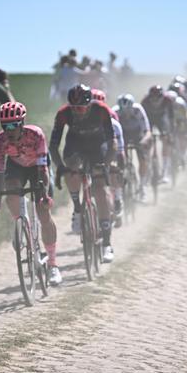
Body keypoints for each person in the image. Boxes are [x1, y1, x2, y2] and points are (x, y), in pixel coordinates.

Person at [0, 102, 63, 285]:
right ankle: (21, 225)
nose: (9, 130)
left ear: (22, 123)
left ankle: (53, 265)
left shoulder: (35, 134)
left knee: (43, 212)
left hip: (38, 168)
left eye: (14, 125)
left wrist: (44, 195)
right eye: (5, 126)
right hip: (16, 167)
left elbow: (43, 170)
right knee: (11, 190)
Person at [49, 84, 117, 262]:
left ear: (90, 104)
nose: (78, 112)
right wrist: (61, 167)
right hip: (76, 144)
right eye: (75, 108)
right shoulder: (63, 113)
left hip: (97, 146)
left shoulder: (101, 110)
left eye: (81, 108)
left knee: (100, 190)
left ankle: (107, 243)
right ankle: (78, 209)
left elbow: (112, 143)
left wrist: (106, 165)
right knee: (72, 170)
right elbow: (53, 146)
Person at [91, 89, 125, 227]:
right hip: (95, 151)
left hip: (111, 149)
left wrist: (120, 167)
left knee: (113, 172)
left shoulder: (113, 119)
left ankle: (117, 198)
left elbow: (119, 147)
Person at [113, 93, 152, 200]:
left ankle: (142, 187)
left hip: (137, 134)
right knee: (119, 159)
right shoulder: (115, 112)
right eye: (123, 112)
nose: (126, 114)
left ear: (132, 107)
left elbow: (147, 131)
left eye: (128, 111)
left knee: (142, 159)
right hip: (123, 135)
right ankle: (121, 184)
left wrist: (144, 141)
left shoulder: (138, 110)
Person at [141, 85, 175, 182]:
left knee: (165, 139)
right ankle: (147, 168)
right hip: (149, 119)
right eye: (153, 98)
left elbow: (171, 117)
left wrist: (170, 132)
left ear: (162, 96)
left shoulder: (167, 100)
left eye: (157, 98)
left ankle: (165, 172)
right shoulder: (145, 100)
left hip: (161, 119)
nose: (155, 101)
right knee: (147, 142)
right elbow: (142, 118)